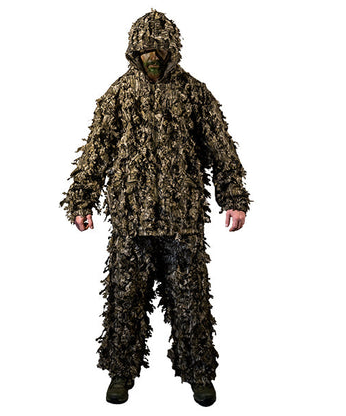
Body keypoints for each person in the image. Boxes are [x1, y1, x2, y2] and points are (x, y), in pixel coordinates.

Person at [59, 9, 252, 407]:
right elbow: (97, 148)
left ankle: (199, 372)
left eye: (159, 51)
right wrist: (81, 199)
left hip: (182, 219)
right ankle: (120, 371)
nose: (152, 58)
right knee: (124, 300)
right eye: (145, 51)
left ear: (172, 51)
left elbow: (220, 147)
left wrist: (233, 196)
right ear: (134, 52)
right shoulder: (120, 94)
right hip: (131, 219)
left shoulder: (193, 92)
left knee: (191, 301)